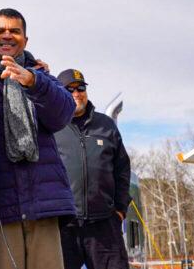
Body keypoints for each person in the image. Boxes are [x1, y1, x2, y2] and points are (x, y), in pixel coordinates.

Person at [0, 8, 76, 269]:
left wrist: (33, 81)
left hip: (43, 207)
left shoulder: (42, 77)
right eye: (0, 31)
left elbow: (63, 114)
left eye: (15, 31)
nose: (7, 35)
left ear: (25, 40)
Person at [54, 68, 131, 269]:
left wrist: (120, 209)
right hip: (64, 225)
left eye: (80, 88)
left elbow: (122, 169)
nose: (76, 94)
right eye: (69, 89)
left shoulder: (106, 125)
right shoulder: (51, 125)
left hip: (104, 224)